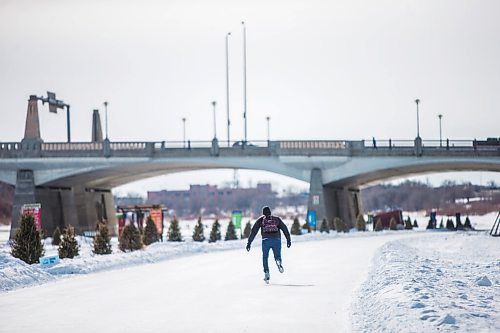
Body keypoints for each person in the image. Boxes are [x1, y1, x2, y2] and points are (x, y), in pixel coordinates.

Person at [246, 206, 291, 283]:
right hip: (276, 240)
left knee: (265, 257)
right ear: (270, 212)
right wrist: (288, 240)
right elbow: (284, 228)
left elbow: (254, 231)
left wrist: (249, 243)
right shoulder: (277, 219)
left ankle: (266, 272)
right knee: (277, 255)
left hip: (266, 240)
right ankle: (278, 261)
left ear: (263, 213)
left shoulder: (261, 220)